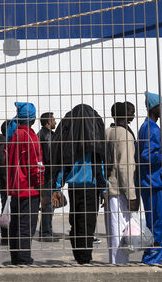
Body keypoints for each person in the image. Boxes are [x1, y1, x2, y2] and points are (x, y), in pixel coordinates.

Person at [51, 104, 107, 264]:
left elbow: (63, 169)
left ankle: (79, 251)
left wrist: (57, 187)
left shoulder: (70, 147)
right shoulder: (94, 146)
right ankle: (84, 257)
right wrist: (103, 189)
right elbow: (99, 169)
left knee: (76, 220)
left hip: (74, 188)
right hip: (90, 188)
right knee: (88, 223)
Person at [136, 92, 162, 265]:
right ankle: (153, 258)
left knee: (156, 224)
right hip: (154, 183)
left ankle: (155, 256)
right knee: (159, 224)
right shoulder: (150, 129)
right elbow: (146, 156)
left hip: (154, 182)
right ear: (154, 107)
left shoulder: (149, 127)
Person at [6, 102, 44, 265]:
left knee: (16, 225)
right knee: (26, 226)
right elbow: (36, 166)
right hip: (28, 189)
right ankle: (23, 259)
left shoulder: (14, 134)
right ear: (32, 118)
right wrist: (41, 188)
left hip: (16, 188)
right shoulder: (30, 136)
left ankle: (16, 257)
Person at [104, 101, 139, 264]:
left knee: (113, 231)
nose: (133, 113)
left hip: (110, 188)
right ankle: (120, 266)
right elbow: (125, 168)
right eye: (130, 111)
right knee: (121, 232)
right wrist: (131, 195)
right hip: (121, 190)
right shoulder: (125, 136)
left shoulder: (107, 132)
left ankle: (116, 263)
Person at [36, 112, 57, 242]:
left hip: (45, 174)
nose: (55, 122)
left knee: (49, 203)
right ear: (48, 122)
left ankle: (46, 230)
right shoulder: (46, 136)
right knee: (49, 204)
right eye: (53, 120)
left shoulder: (42, 134)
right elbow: (49, 157)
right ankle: (45, 233)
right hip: (48, 175)